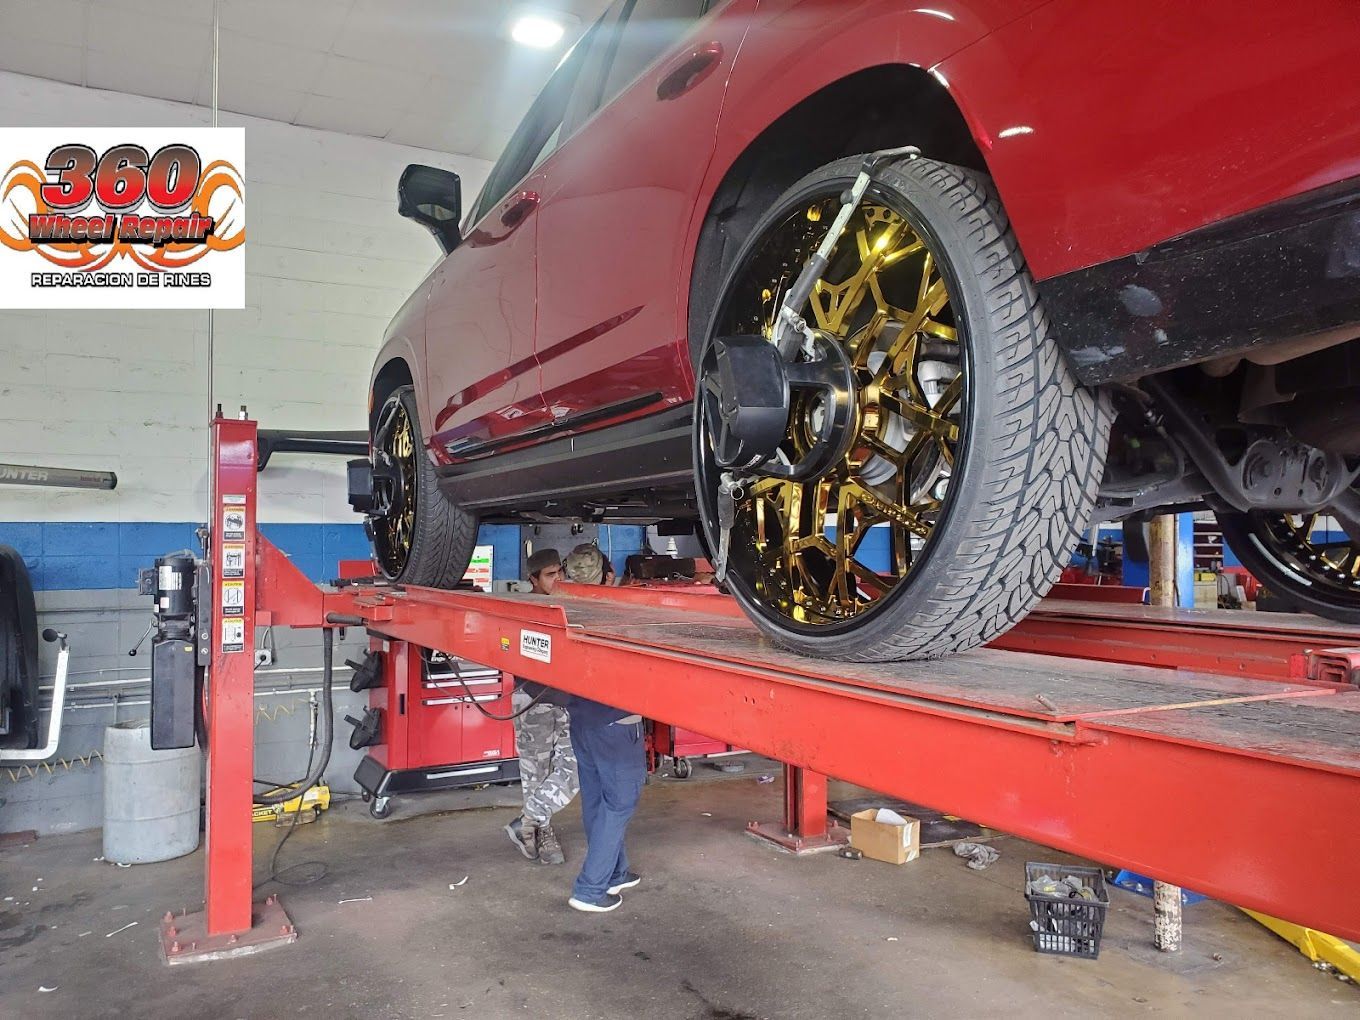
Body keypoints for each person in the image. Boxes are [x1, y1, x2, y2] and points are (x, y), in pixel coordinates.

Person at [504, 547, 577, 866]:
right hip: (533, 700)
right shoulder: (522, 608)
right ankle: (541, 831)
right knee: (536, 772)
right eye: (550, 574)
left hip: (567, 700)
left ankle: (529, 821)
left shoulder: (568, 603)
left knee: (574, 766)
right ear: (532, 579)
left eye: (560, 571)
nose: (558, 578)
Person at [564, 694, 646, 913]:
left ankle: (615, 873)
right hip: (617, 723)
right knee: (620, 804)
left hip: (583, 720)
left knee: (596, 799)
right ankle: (589, 890)